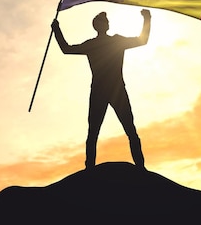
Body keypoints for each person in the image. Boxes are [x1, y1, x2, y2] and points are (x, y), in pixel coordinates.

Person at [51, 9, 151, 170]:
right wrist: (57, 30)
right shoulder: (104, 43)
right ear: (99, 26)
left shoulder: (103, 43)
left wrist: (57, 30)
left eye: (105, 22)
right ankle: (91, 167)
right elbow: (67, 49)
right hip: (107, 90)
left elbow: (142, 40)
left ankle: (139, 166)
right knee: (97, 131)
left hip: (111, 89)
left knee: (125, 129)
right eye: (103, 22)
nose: (105, 24)